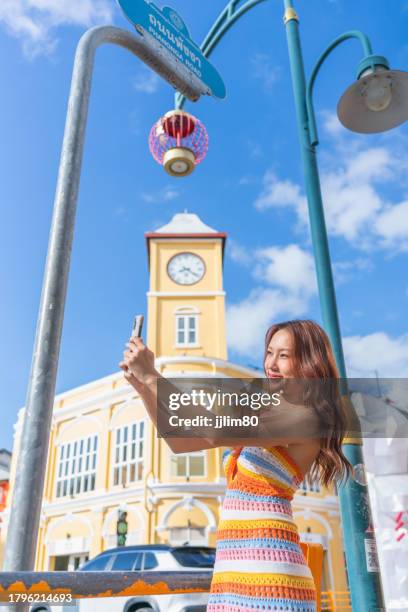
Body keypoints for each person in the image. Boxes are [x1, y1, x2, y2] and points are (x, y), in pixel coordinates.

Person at [119, 319, 352, 612]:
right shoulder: (274, 410)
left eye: (284, 355)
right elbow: (183, 442)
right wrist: (143, 387)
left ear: (309, 363)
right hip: (233, 571)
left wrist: (153, 376)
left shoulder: (309, 416)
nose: (272, 364)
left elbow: (213, 431)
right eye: (270, 352)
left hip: (272, 578)